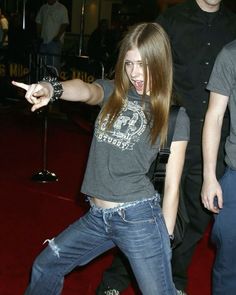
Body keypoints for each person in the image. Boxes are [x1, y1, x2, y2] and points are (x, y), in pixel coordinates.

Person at [12, 22, 189, 295]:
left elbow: (173, 186)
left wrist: (163, 239)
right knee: (45, 266)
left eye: (142, 64)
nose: (134, 73)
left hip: (139, 218)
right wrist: (51, 89)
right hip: (97, 217)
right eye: (129, 64)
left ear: (160, 61)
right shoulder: (113, 93)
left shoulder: (174, 115)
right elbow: (85, 89)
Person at [96, 1, 236, 294]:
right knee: (143, 211)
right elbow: (142, 61)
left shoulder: (232, 23)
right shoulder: (171, 19)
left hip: (211, 142)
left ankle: (176, 280)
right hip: (167, 131)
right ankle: (117, 279)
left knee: (197, 217)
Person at [201, 40, 236, 295]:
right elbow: (214, 116)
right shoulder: (231, 54)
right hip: (235, 174)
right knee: (228, 264)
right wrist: (209, 176)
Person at [35, 0, 69, 74]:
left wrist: (57, 37)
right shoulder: (43, 8)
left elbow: (65, 23)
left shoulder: (62, 8)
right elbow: (38, 22)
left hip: (55, 42)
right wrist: (39, 36)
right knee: (43, 65)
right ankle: (43, 83)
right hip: (43, 41)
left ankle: (54, 84)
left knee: (54, 66)